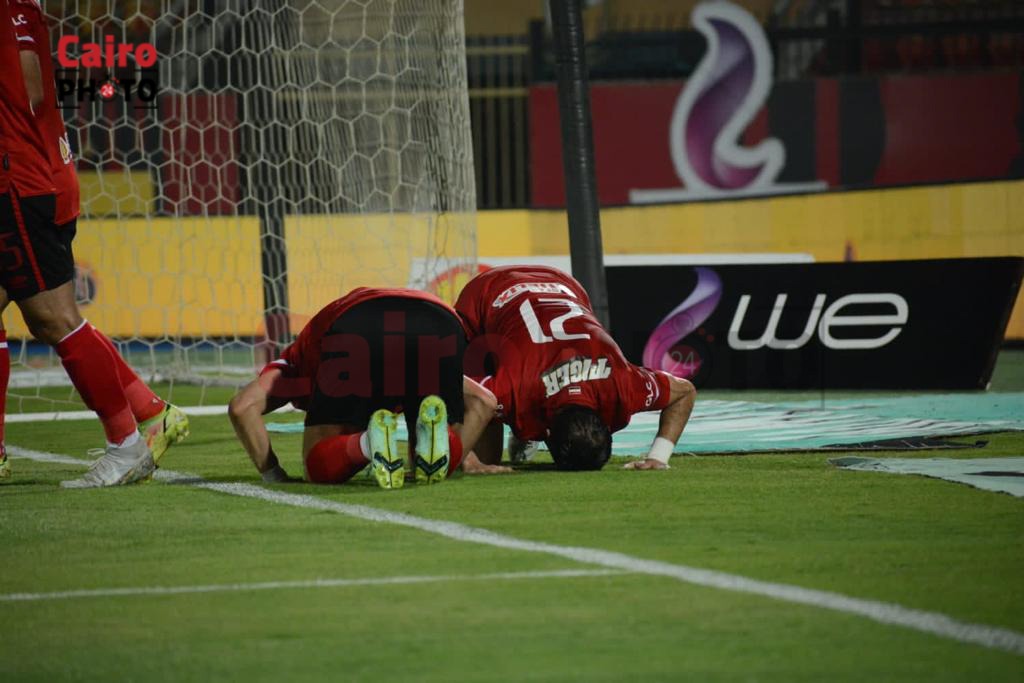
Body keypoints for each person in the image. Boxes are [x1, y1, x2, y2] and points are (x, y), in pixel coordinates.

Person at [0, 0, 188, 485]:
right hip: (36, 173)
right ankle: (148, 411)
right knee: (48, 317)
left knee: (56, 318)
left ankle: (126, 443)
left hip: (22, 181)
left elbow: (29, 84)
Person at [228, 287, 508, 489]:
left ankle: (369, 443)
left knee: (316, 467)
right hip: (439, 320)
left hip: (359, 324)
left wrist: (273, 474)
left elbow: (242, 407)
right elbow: (484, 402)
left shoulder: (294, 363)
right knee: (428, 465)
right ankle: (443, 446)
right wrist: (462, 455)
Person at [455, 265, 696, 471]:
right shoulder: (516, 387)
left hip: (565, 285)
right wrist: (469, 460)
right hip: (487, 293)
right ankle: (523, 426)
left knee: (485, 428)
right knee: (482, 436)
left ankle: (524, 425)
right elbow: (449, 387)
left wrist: (658, 458)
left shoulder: (623, 385)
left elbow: (685, 392)